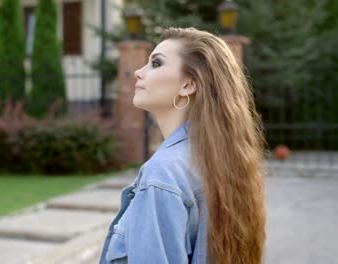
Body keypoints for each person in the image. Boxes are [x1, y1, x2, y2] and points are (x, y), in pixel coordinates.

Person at [99, 27, 266, 264]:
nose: (138, 72)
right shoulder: (217, 159)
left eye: (156, 64)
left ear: (188, 85)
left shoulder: (163, 173)